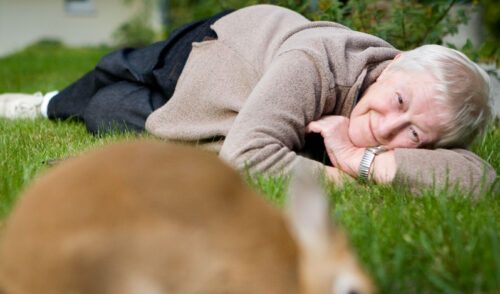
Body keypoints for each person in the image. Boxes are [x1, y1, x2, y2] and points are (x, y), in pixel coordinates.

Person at [0, 5, 495, 194]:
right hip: (212, 55)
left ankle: (82, 104)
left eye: (414, 133)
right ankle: (43, 103)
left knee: (106, 112)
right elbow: (250, 156)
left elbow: (482, 181)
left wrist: (359, 159)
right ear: (394, 64)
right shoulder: (319, 60)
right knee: (120, 66)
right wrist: (344, 175)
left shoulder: (413, 125)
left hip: (234, 112)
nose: (388, 127)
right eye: (400, 99)